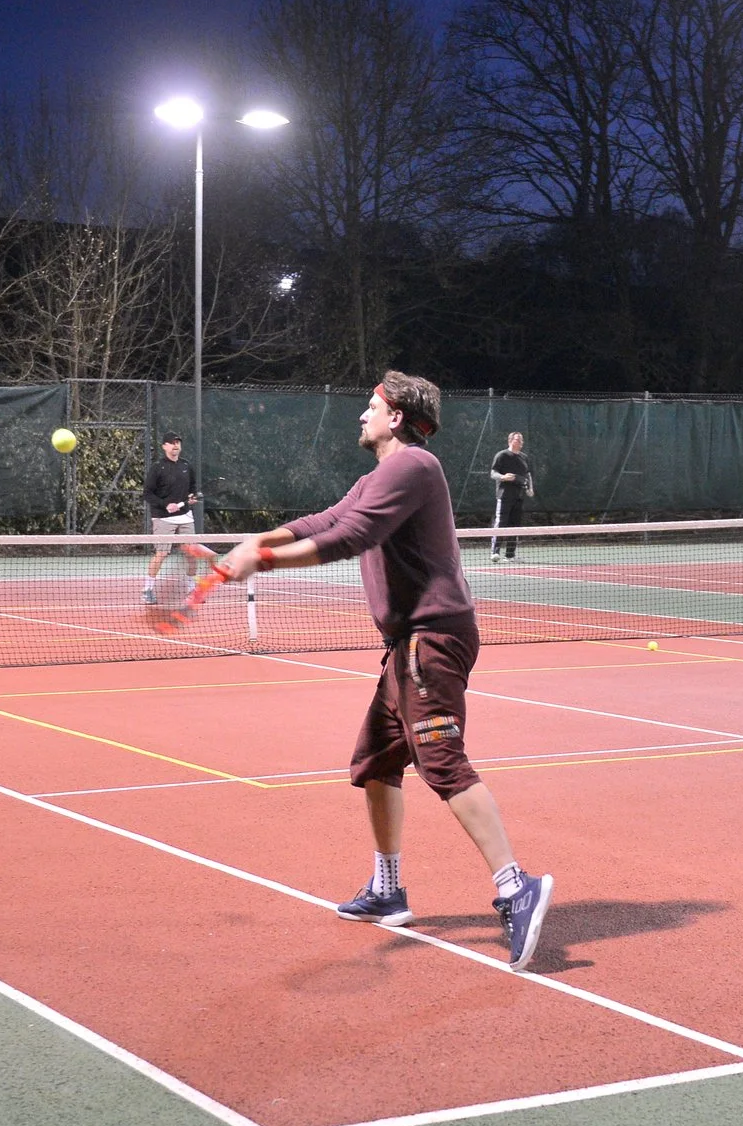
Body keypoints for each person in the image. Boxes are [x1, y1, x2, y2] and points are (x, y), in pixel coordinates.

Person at [214, 372, 555, 969]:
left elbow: (354, 536)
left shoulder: (414, 468)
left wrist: (261, 562)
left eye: (370, 407)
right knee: (376, 762)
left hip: (433, 638)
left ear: (396, 416)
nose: (361, 416)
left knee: (442, 760)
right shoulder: (380, 477)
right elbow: (325, 520)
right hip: (406, 644)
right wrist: (256, 541)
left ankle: (514, 885)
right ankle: (388, 887)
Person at [141, 432, 200, 603]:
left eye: (178, 443)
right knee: (162, 553)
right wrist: (165, 505)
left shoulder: (186, 466)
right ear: (164, 446)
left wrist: (192, 497)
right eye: (172, 443)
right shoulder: (158, 467)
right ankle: (148, 589)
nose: (176, 446)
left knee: (191, 554)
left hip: (186, 516)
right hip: (163, 518)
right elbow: (147, 493)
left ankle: (192, 590)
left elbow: (193, 488)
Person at [487, 432, 532, 561]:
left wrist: (530, 488)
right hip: (504, 495)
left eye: (522, 440)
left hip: (519, 496)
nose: (520, 442)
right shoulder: (502, 455)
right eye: (518, 440)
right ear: (510, 441)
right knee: (501, 522)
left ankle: (510, 555)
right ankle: (495, 552)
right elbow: (493, 473)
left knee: (515, 525)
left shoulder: (525, 458)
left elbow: (528, 476)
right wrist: (503, 477)